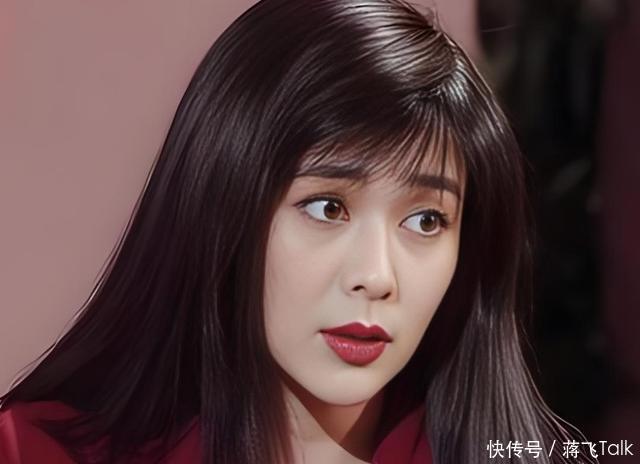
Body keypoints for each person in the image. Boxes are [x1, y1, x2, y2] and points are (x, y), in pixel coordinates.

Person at [0, 0, 596, 463]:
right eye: (328, 208)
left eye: (426, 220)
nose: (375, 277)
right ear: (224, 204)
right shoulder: (30, 451)